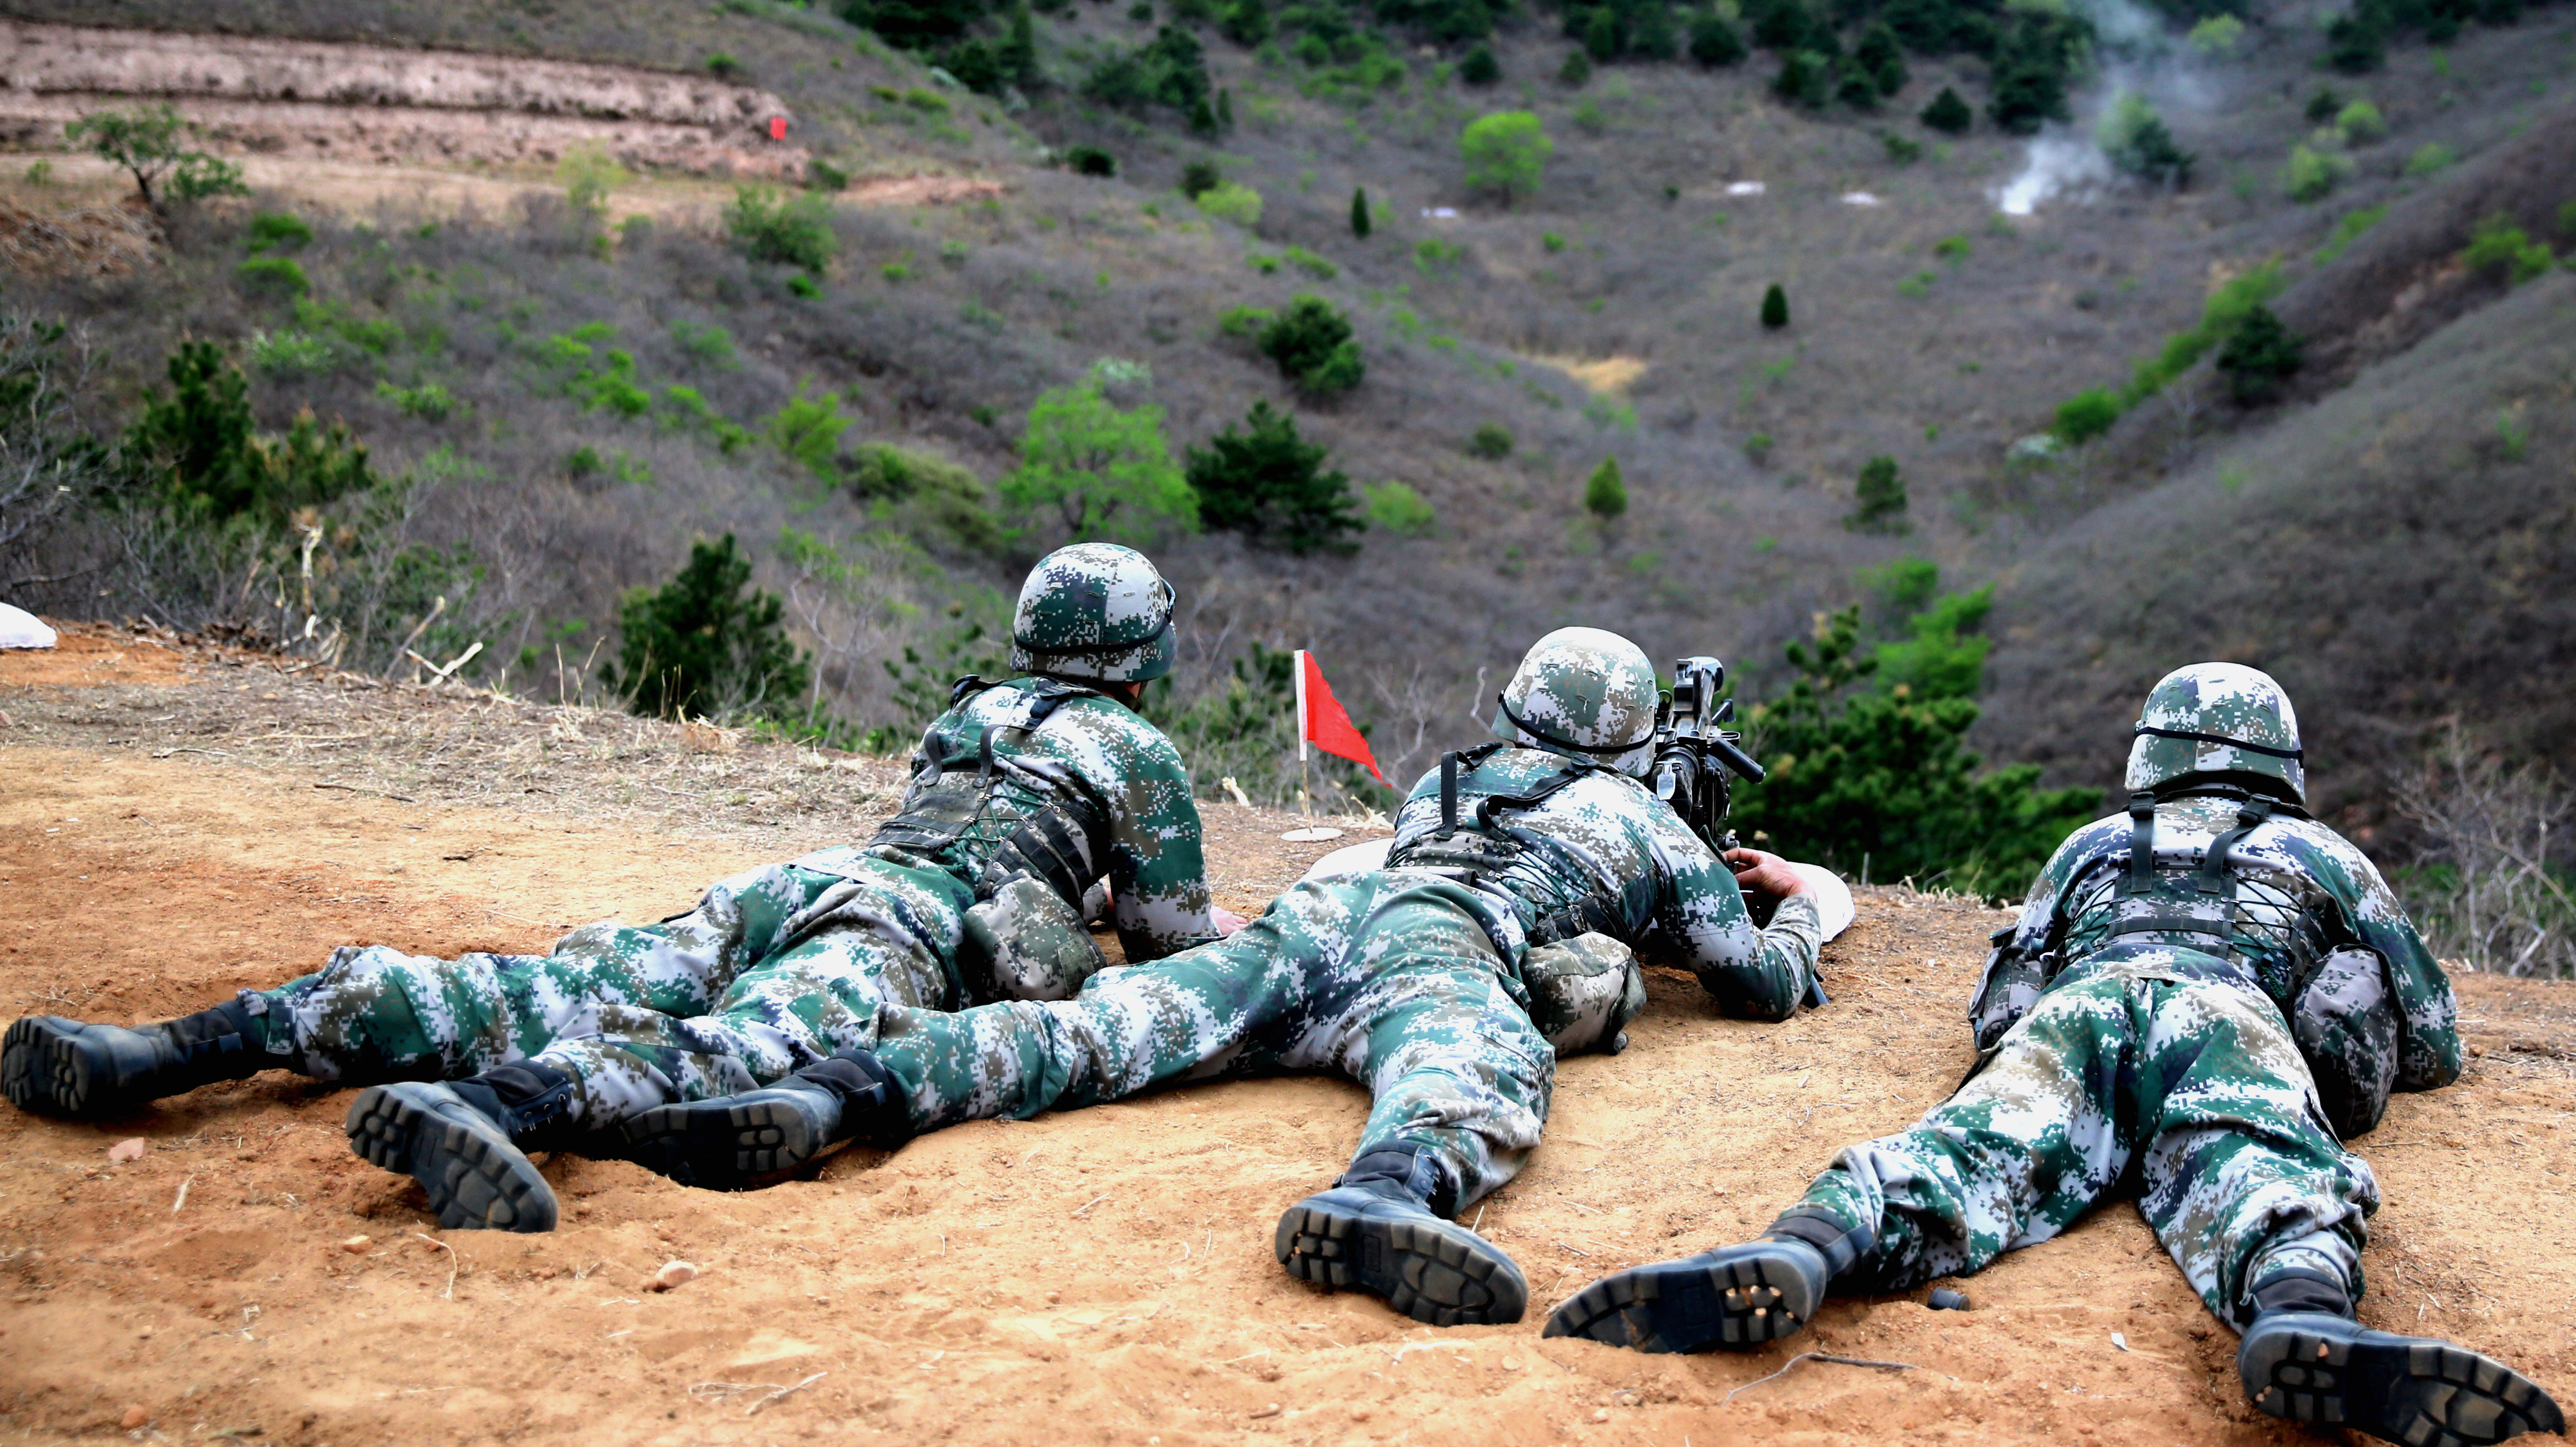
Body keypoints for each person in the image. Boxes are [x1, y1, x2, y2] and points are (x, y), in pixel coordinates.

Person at [1, 543, 1231, 1235]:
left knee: (540, 984)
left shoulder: (966, 712)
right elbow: (1171, 944)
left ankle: (179, 1048)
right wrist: (1146, 919)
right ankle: (503, 1110)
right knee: (739, 1048)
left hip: (803, 884)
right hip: (898, 931)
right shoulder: (1140, 754)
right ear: (1144, 650)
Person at [630, 626, 1825, 1327]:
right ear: (1632, 741)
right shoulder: (1649, 826)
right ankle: (1391, 1196)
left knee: (1102, 1028)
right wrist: (1801, 915)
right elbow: (1754, 986)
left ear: (1515, 711)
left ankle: (840, 1094)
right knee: (1476, 1073)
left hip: (1318, 919)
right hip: (1440, 945)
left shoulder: (1445, 781)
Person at [1545, 662, 2567, 1447]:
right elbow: (2432, 1044)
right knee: (2270, 1173)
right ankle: (2304, 1315)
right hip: (2230, 1017)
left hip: (2084, 1005)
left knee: (1958, 1153)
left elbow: (2009, 997)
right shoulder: (2325, 856)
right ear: (2279, 761)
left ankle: (1812, 1245)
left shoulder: (2088, 846)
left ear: (2153, 753)